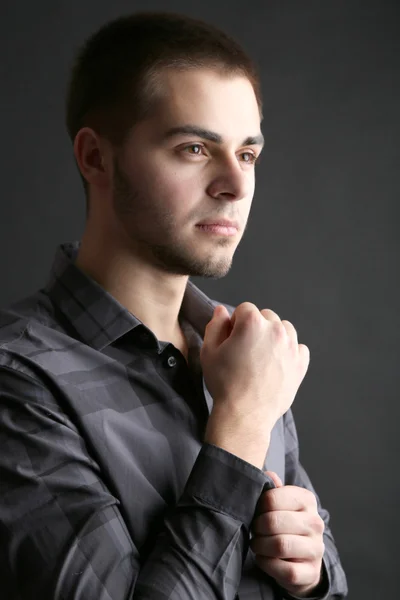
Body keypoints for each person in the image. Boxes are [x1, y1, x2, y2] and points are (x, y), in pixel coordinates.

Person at [0, 11, 348, 600]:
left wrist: (313, 573)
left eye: (248, 154)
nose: (235, 186)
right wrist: (238, 425)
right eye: (194, 148)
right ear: (95, 158)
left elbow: (326, 579)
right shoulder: (20, 380)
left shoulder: (248, 354)